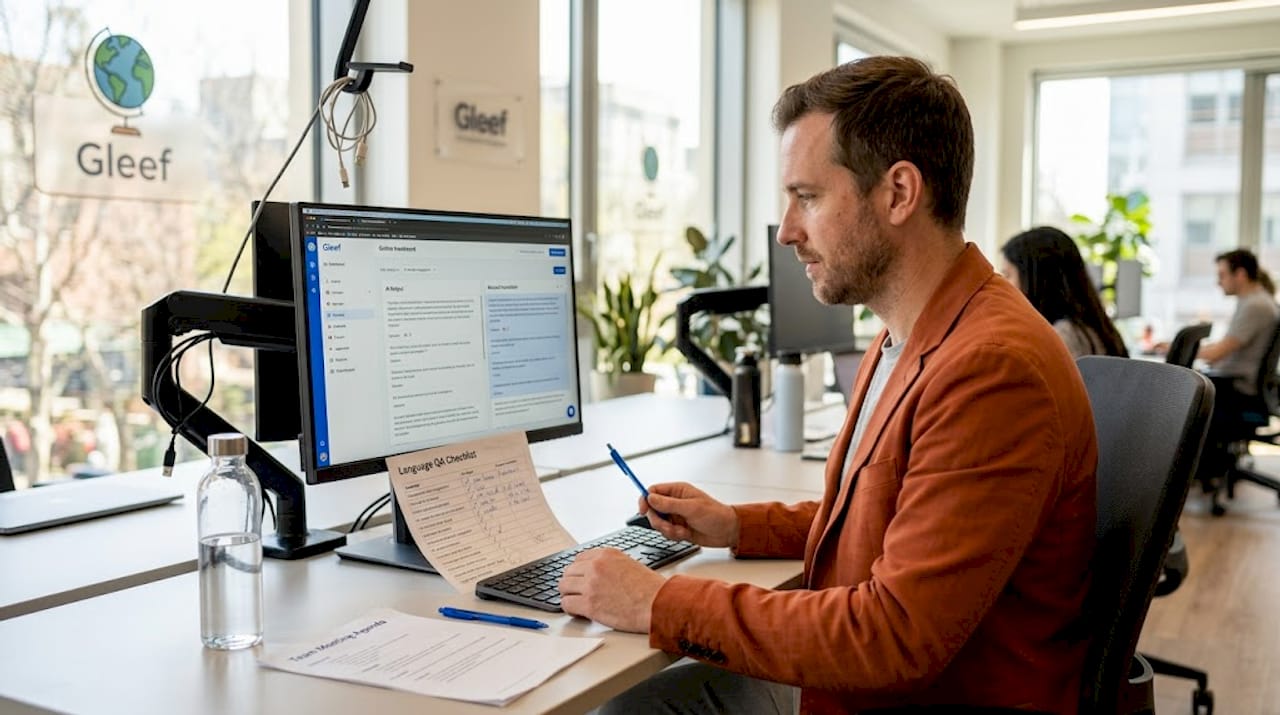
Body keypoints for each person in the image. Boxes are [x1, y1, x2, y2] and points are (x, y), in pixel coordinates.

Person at [559, 56, 1097, 713]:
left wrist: (656, 600)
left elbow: (892, 636)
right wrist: (735, 524)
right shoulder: (911, 331)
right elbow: (886, 519)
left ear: (899, 193)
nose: (787, 230)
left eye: (807, 197)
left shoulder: (992, 368)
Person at [999, 226, 1129, 358]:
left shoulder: (1062, 336)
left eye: (1007, 275)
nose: (1002, 283)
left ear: (1039, 279)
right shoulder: (1088, 330)